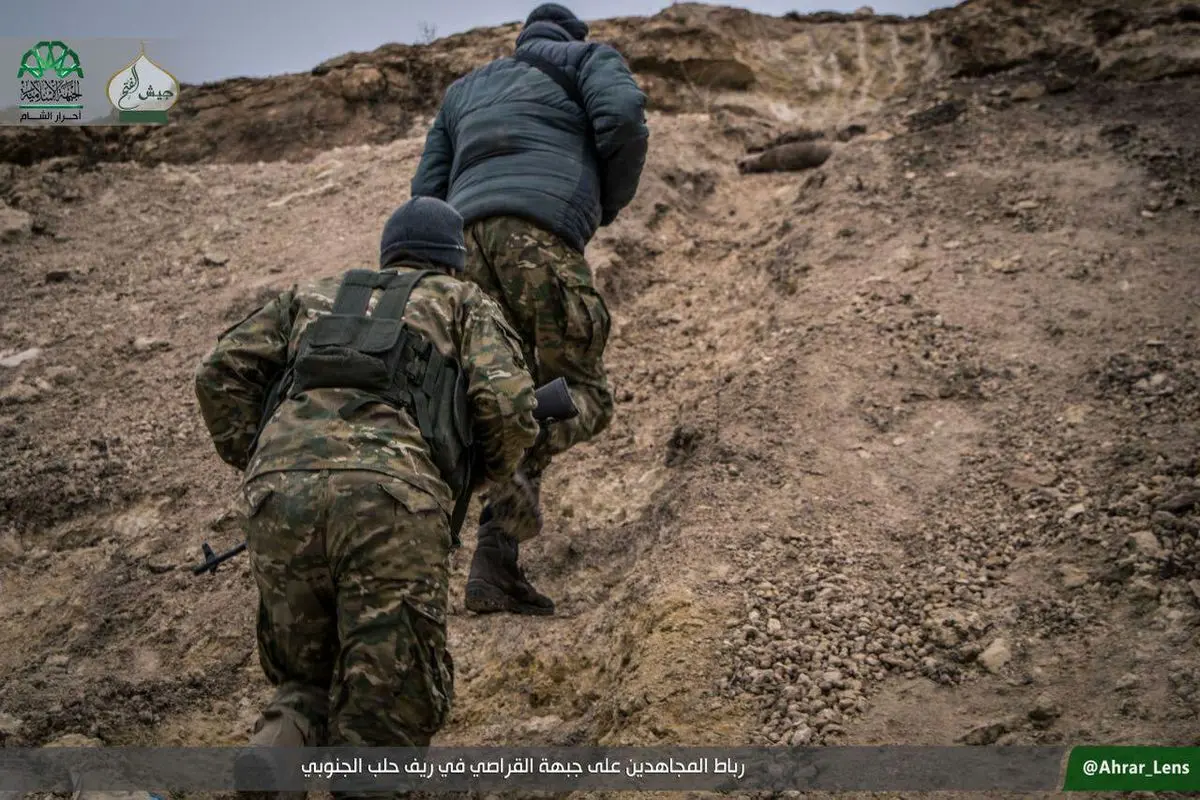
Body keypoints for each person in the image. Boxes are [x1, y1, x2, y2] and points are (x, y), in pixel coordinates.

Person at [193, 197, 539, 767]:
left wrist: (260, 455)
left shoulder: (312, 293)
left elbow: (218, 372)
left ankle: (276, 753)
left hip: (279, 498)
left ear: (388, 253)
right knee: (387, 701)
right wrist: (478, 474)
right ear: (452, 262)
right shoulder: (460, 300)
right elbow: (508, 402)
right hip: (393, 503)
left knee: (303, 678)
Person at [410, 1, 650, 617]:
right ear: (572, 34)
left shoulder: (465, 89)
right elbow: (625, 116)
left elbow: (425, 193)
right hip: (539, 238)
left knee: (510, 391)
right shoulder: (586, 58)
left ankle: (494, 569)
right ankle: (512, 457)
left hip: (463, 249)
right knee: (583, 394)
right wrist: (604, 203)